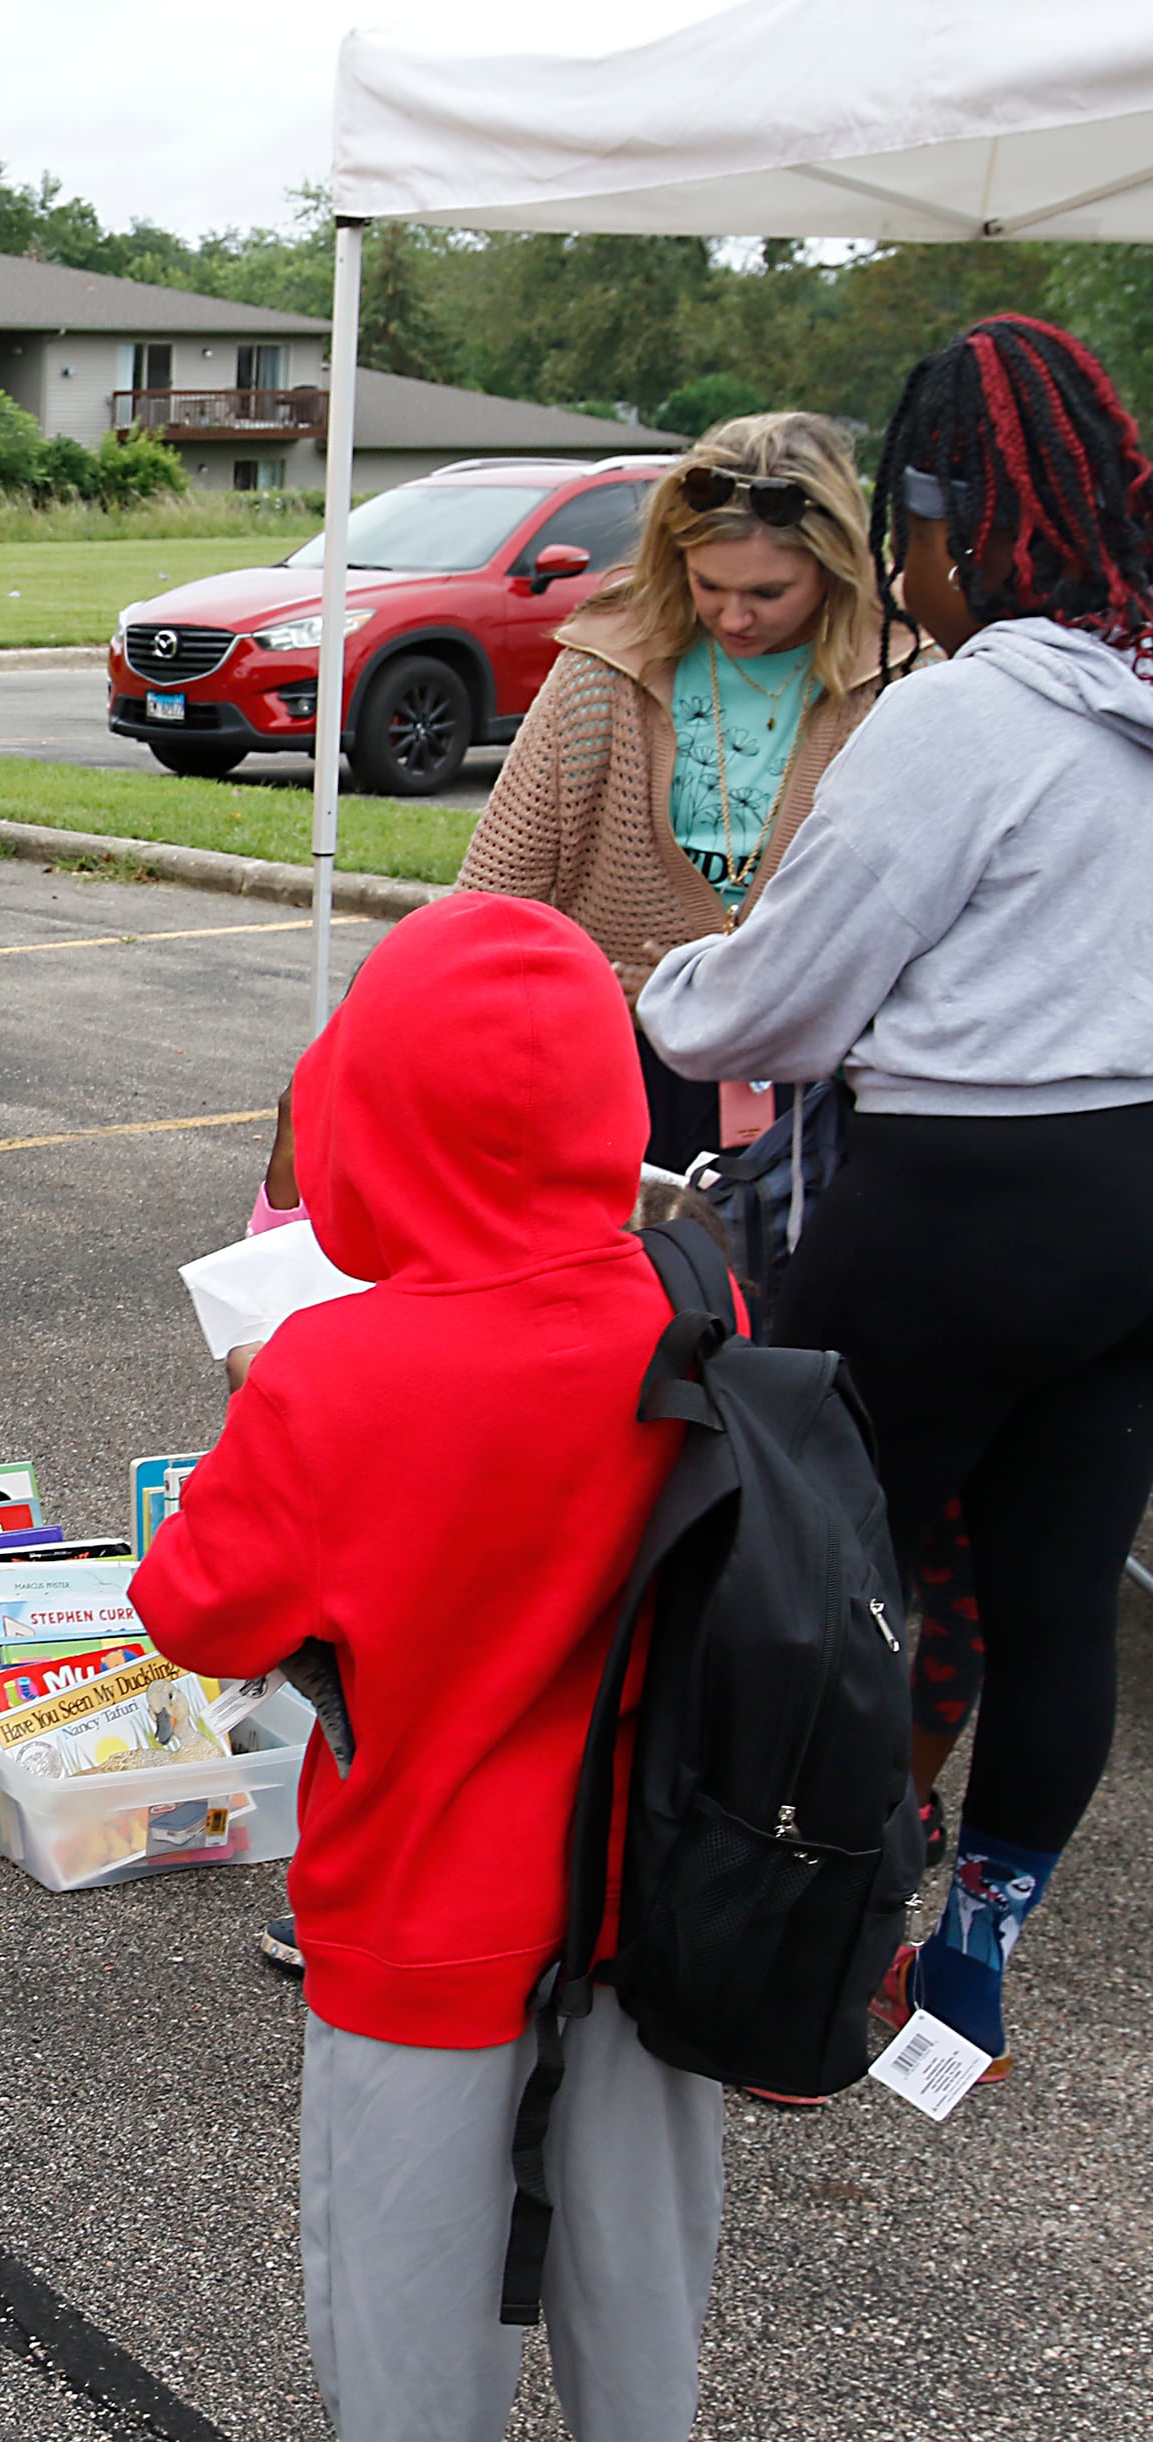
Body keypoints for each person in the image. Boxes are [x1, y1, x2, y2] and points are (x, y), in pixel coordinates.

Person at [637, 313, 1153, 2081]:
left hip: (957, 1198)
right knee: (1053, 1583)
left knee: (816, 1581)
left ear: (947, 514)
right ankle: (972, 1959)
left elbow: (786, 995)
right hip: (1136, 1197)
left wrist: (666, 990)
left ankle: (807, 1949)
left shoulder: (970, 714)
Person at [133, 894, 719, 2442]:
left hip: (419, 1924)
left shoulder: (333, 1375)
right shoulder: (691, 1314)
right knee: (642, 2308)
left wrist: (254, 1423)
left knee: (403, 2328)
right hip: (654, 1903)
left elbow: (194, 1610)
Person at [457, 412, 894, 1170]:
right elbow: (496, 891)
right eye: (708, 585)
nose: (735, 616)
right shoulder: (607, 665)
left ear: (835, 568)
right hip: (615, 1062)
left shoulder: (898, 679)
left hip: (824, 1080)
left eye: (769, 591)